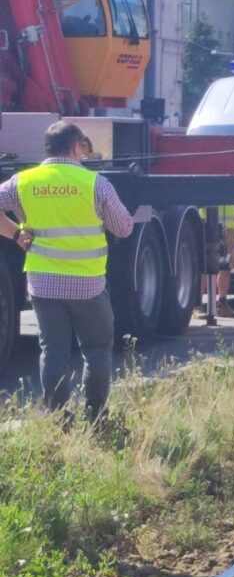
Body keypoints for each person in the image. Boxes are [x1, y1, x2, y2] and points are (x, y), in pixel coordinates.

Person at [0, 121, 134, 421]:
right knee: (97, 349)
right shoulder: (94, 183)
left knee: (53, 351)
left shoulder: (24, 181)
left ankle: (59, 416)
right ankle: (96, 416)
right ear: (75, 147)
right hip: (88, 285)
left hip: (43, 285)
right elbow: (124, 228)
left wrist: (16, 233)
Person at [197, 205, 234, 319]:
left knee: (225, 267)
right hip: (209, 224)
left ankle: (222, 304)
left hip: (229, 229)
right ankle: (197, 305)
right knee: (205, 267)